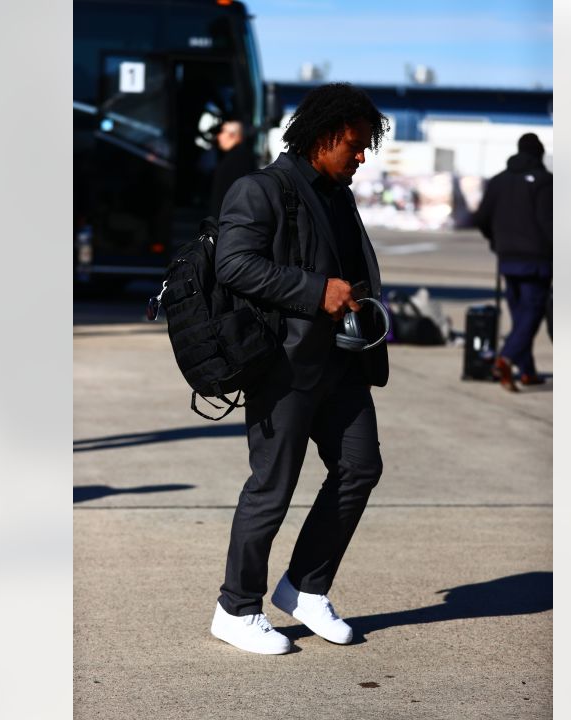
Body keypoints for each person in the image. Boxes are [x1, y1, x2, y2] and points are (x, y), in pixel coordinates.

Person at [208, 83, 390, 655]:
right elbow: (234, 264)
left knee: (360, 467)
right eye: (355, 146)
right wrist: (319, 291)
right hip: (282, 367)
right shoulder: (261, 189)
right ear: (323, 137)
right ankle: (235, 608)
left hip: (339, 365)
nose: (362, 156)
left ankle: (305, 588)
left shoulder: (339, 193)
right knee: (272, 487)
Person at [473, 132, 553, 391]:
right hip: (537, 260)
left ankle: (527, 371)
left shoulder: (498, 181)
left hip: (507, 258)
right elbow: (549, 223)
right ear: (539, 153)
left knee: (521, 316)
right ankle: (506, 358)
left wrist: (497, 240)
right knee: (532, 313)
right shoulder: (545, 181)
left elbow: (481, 218)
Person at [206, 119, 258, 218]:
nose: (219, 136)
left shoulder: (240, 159)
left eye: (222, 132)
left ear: (232, 135)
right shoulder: (233, 157)